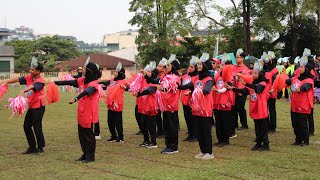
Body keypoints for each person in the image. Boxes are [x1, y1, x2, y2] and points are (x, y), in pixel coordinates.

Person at [55, 60, 101, 163]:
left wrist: (76, 98)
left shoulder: (93, 84)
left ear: (89, 71)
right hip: (81, 112)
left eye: (84, 68)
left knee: (88, 135)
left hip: (89, 113)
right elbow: (71, 82)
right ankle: (85, 154)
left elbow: (87, 91)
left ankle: (90, 157)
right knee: (82, 135)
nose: (83, 70)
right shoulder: (82, 80)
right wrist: (57, 83)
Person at [2, 57, 46, 154]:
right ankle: (32, 147)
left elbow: (33, 86)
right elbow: (17, 79)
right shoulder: (29, 77)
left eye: (32, 70)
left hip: (39, 107)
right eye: (30, 69)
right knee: (26, 126)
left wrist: (24, 90)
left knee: (37, 126)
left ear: (38, 71)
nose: (30, 71)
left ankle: (40, 147)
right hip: (31, 107)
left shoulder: (41, 81)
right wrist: (6, 81)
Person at [240, 61, 270, 151]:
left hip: (262, 108)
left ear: (260, 74)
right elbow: (245, 91)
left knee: (263, 127)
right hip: (255, 108)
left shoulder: (263, 83)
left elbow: (257, 88)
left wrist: (246, 84)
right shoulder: (254, 83)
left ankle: (265, 144)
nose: (253, 74)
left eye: (255, 73)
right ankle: (258, 143)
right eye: (253, 73)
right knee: (257, 127)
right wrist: (233, 89)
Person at [286, 54, 315, 146]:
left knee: (302, 124)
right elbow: (289, 81)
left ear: (306, 69)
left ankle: (305, 140)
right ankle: (298, 139)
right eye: (299, 67)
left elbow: (306, 86)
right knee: (295, 124)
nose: (299, 68)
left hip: (303, 105)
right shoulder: (296, 77)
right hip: (294, 105)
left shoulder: (309, 80)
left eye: (301, 67)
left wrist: (300, 89)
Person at [191, 53, 214, 159]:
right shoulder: (196, 78)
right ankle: (203, 150)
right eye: (198, 65)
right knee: (199, 131)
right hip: (197, 108)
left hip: (205, 109)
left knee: (206, 131)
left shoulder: (209, 79)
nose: (198, 66)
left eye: (200, 65)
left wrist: (197, 91)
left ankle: (209, 153)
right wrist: (178, 86)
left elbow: (206, 90)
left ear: (205, 66)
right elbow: (189, 86)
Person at [158, 54, 181, 154]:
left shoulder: (175, 78)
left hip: (171, 105)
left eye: (169, 66)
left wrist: (162, 88)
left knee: (172, 126)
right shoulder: (166, 77)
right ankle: (168, 145)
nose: (166, 67)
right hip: (165, 105)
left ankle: (173, 146)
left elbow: (170, 89)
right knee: (166, 126)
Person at [100, 62, 128, 143]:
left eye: (116, 71)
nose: (114, 72)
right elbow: (108, 85)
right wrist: (100, 85)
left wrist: (125, 87)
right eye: (114, 71)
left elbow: (127, 87)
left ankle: (120, 137)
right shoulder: (112, 80)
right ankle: (113, 136)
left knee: (118, 121)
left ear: (120, 73)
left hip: (117, 103)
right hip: (110, 102)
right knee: (110, 121)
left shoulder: (122, 81)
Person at [213, 54, 235, 147]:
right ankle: (219, 139)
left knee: (224, 121)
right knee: (218, 121)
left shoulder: (229, 76)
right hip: (217, 101)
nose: (221, 66)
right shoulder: (218, 75)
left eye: (223, 65)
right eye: (221, 65)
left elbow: (226, 88)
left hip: (225, 101)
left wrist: (217, 90)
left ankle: (225, 140)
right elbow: (214, 83)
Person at [136, 62, 159, 148]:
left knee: (151, 126)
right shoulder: (143, 81)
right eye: (147, 71)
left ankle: (153, 142)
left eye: (150, 72)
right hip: (143, 107)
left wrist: (139, 94)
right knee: (143, 124)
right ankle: (146, 140)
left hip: (151, 107)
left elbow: (149, 90)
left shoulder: (154, 82)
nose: (147, 73)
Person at [178, 56, 199, 142]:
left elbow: (198, 88)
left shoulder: (197, 77)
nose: (189, 68)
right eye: (189, 66)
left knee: (193, 119)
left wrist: (191, 91)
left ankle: (195, 135)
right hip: (185, 101)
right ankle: (190, 134)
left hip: (192, 101)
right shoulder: (185, 76)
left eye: (191, 67)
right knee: (187, 118)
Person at [232, 49, 250, 131]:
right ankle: (234, 124)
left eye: (238, 57)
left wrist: (242, 91)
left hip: (241, 91)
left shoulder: (246, 69)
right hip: (233, 90)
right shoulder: (233, 67)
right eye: (235, 57)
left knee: (240, 108)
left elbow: (247, 80)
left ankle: (244, 124)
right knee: (233, 108)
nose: (236, 59)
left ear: (242, 58)